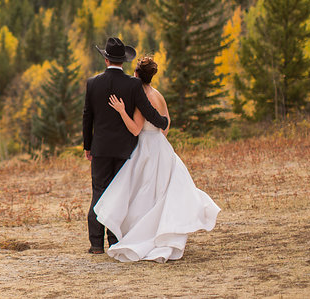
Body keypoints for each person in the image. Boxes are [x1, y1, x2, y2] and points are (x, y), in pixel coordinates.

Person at [93, 55, 220, 262]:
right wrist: (158, 139)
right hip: (161, 146)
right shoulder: (159, 95)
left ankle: (145, 236)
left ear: (135, 74)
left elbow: (135, 129)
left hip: (146, 148)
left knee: (142, 195)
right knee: (160, 194)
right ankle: (161, 231)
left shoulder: (141, 97)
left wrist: (122, 111)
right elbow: (166, 123)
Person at [82, 36, 169, 255]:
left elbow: (87, 117)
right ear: (124, 61)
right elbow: (147, 110)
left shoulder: (93, 83)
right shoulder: (132, 84)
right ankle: (114, 240)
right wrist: (163, 122)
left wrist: (87, 146)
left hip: (100, 148)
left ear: (106, 60)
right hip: (124, 150)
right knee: (119, 193)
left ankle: (95, 244)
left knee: (98, 191)